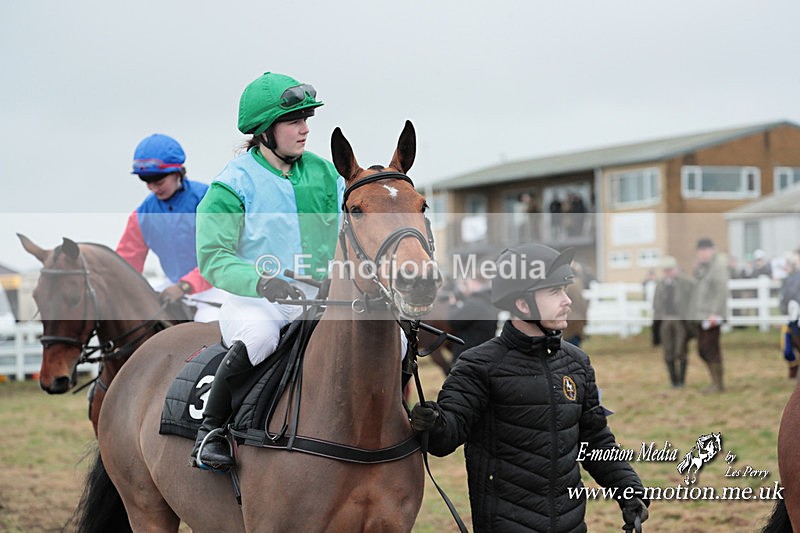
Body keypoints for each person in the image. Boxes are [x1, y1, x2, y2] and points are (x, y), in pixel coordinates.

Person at [411, 244, 649, 532]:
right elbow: (444, 438)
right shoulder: (478, 365)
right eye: (554, 292)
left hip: (572, 525)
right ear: (523, 305)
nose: (567, 301)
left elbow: (596, 439)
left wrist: (628, 488)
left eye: (564, 290)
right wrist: (432, 421)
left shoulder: (577, 363)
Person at [189, 72, 345, 471]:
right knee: (259, 339)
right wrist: (263, 282)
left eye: (306, 119)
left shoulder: (326, 174)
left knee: (389, 338)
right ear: (264, 131)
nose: (305, 129)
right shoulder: (230, 186)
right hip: (256, 299)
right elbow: (214, 257)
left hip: (322, 297)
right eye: (294, 121)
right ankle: (212, 430)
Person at [117, 133, 222, 322]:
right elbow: (127, 263)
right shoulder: (142, 215)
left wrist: (184, 286)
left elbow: (220, 255)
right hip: (173, 285)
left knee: (206, 324)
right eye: (146, 181)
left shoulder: (208, 200)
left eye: (159, 181)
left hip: (218, 287)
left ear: (178, 173)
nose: (154, 188)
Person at [687, 238, 729, 393]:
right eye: (700, 251)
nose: (702, 254)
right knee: (703, 349)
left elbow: (720, 291)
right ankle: (715, 382)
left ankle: (718, 384)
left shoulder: (718, 266)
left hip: (711, 316)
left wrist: (714, 313)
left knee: (710, 349)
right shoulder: (703, 267)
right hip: (700, 315)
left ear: (712, 250)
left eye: (705, 250)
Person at [652, 256, 695, 388]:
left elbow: (692, 299)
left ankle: (681, 381)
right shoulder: (660, 284)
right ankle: (673, 381)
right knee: (667, 351)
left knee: (681, 349)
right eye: (665, 270)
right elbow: (656, 303)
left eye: (670, 270)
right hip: (665, 319)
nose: (668, 273)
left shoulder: (685, 282)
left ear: (675, 269)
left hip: (680, 320)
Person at [447, 277, 498, 361]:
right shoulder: (489, 301)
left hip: (468, 355)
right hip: (484, 353)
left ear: (475, 283)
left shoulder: (474, 303)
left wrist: (452, 304)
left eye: (467, 284)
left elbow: (453, 321)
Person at [779, 254, 800, 378]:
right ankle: (793, 372)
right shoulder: (791, 279)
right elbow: (785, 299)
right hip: (793, 317)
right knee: (788, 345)